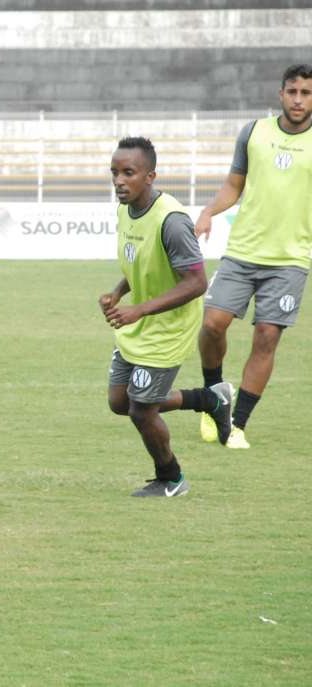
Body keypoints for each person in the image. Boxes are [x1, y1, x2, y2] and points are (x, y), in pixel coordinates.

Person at [100, 137, 233, 498]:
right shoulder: (125, 209)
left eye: (129, 173)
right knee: (119, 402)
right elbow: (145, 261)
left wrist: (138, 309)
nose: (119, 181)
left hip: (168, 327)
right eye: (114, 172)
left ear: (150, 176)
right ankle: (210, 401)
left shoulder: (171, 221)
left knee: (142, 411)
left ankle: (172, 478)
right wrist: (118, 292)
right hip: (138, 321)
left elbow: (197, 282)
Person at [194, 63, 312, 449]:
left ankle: (237, 424)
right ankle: (215, 398)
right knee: (213, 324)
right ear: (281, 94)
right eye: (292, 92)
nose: (298, 99)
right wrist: (210, 211)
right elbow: (234, 184)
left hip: (291, 259)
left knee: (266, 336)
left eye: (306, 93)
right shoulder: (254, 132)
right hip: (242, 252)